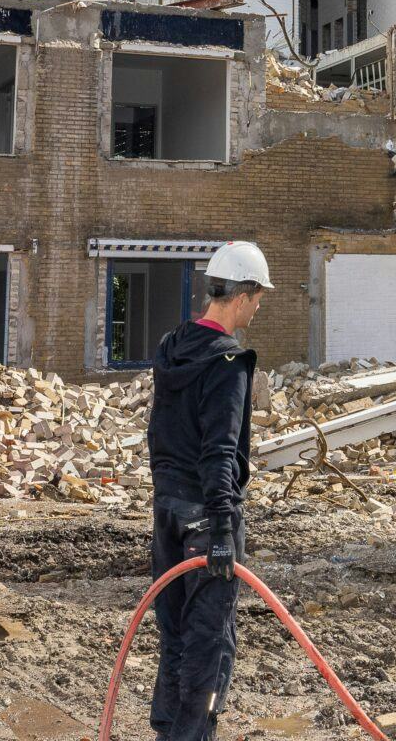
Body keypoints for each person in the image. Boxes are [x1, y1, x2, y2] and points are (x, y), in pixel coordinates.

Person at [145, 241, 271, 741]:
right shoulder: (228, 365)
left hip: (168, 514)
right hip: (207, 519)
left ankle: (167, 732)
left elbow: (160, 435)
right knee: (209, 643)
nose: (259, 307)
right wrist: (221, 526)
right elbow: (220, 453)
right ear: (243, 295)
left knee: (174, 634)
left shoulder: (171, 347)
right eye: (259, 297)